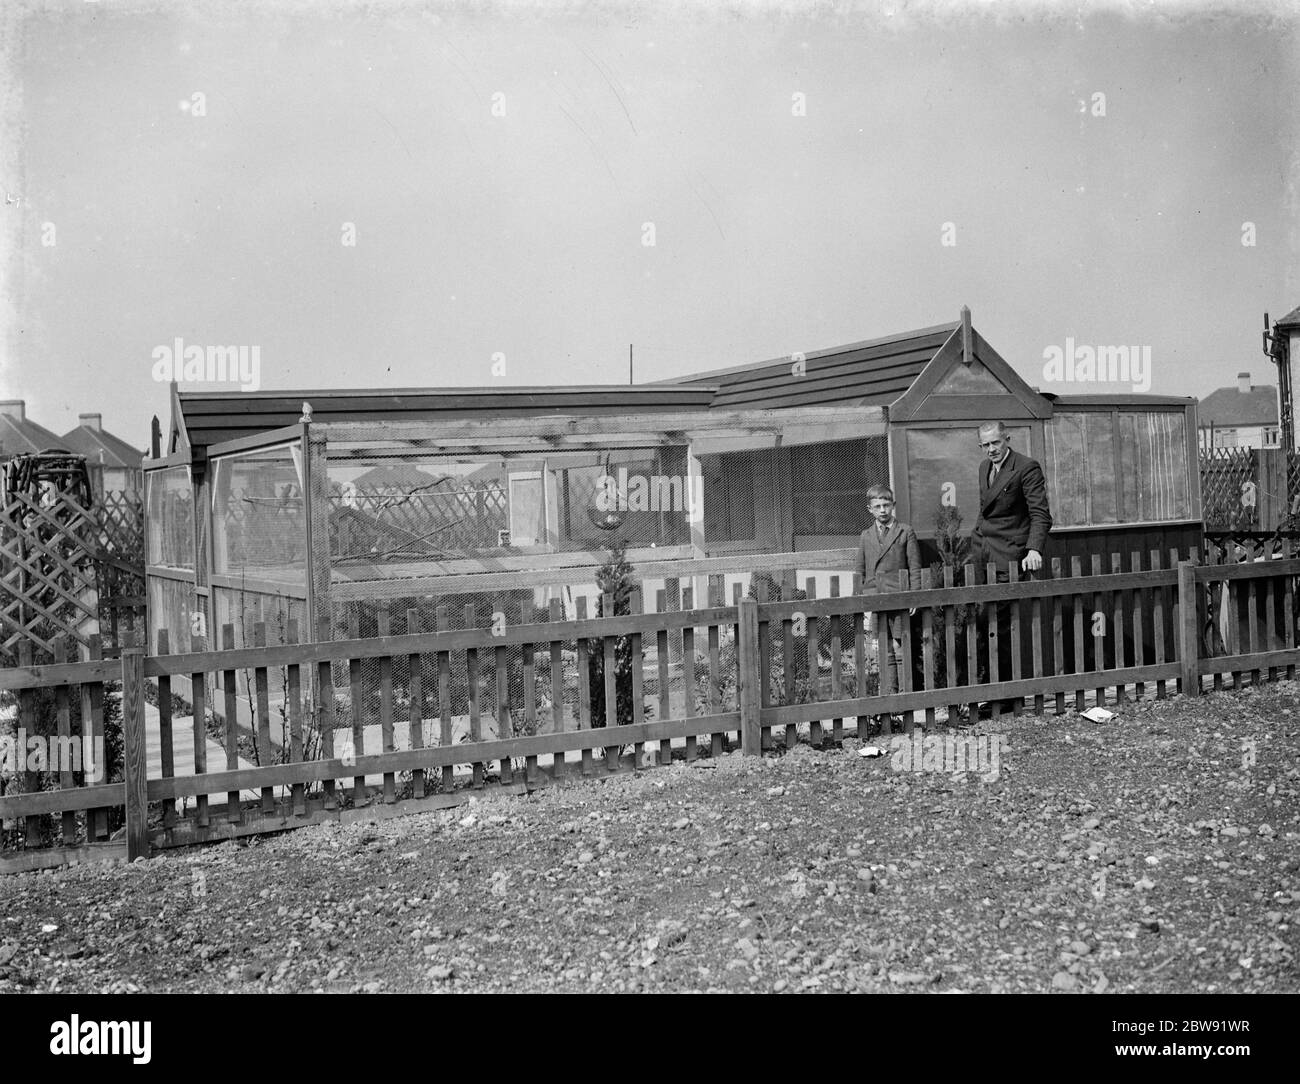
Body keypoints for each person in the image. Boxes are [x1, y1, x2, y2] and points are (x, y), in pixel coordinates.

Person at [969, 421, 1052, 714]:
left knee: (1000, 626)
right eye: (985, 445)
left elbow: (1040, 514)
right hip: (982, 555)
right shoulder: (984, 469)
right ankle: (987, 689)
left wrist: (1033, 549)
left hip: (1008, 556)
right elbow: (984, 512)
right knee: (980, 623)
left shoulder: (1027, 468)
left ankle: (1003, 697)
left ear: (1007, 439)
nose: (991, 449)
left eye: (996, 443)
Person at [855, 485, 922, 718]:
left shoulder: (905, 532)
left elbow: (914, 566)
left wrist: (914, 595)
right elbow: (860, 570)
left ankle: (905, 698)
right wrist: (864, 600)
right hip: (876, 598)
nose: (883, 510)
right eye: (877, 507)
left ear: (893, 505)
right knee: (883, 648)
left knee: (900, 645)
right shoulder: (865, 536)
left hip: (899, 596)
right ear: (870, 509)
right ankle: (889, 697)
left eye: (886, 505)